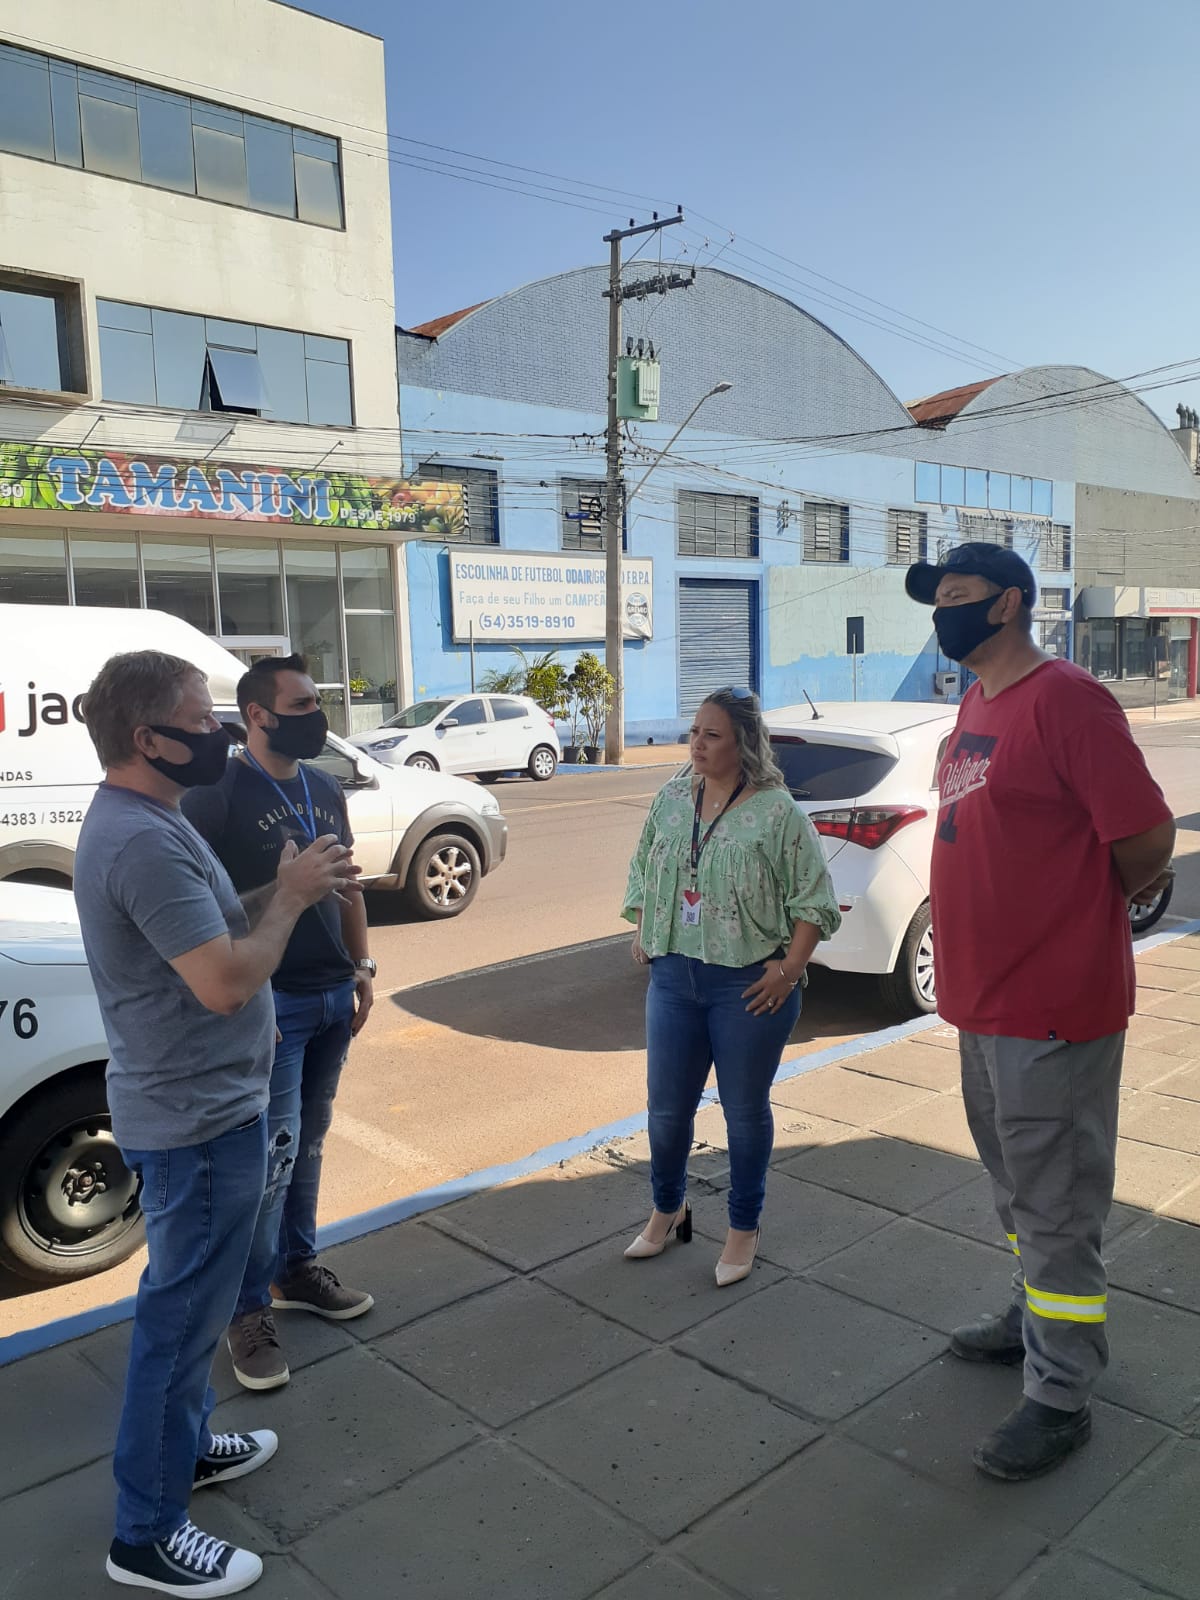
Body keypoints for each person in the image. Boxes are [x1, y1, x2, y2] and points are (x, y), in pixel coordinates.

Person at [73, 650, 358, 1595]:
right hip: (194, 1123)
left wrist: (282, 886)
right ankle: (146, 1535)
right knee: (179, 1323)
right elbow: (227, 979)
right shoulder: (142, 841)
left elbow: (214, 926)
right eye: (201, 719)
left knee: (191, 1317)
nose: (221, 732)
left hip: (209, 1109)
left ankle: (186, 1449)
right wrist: (295, 899)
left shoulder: (154, 819)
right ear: (147, 738)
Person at [906, 542, 1175, 1481]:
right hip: (982, 1001)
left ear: (1009, 603)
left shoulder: (1067, 700)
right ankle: (1034, 1316)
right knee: (1017, 1187)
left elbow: (1146, 837)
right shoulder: (976, 703)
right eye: (936, 599)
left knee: (1057, 1201)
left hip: (1052, 1002)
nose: (942, 611)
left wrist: (1081, 911)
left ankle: (1060, 1395)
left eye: (957, 596)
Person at [183, 654, 376, 1393]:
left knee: (310, 1145)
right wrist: (249, 1004)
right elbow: (206, 915)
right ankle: (246, 1310)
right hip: (273, 1003)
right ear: (257, 715)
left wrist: (363, 967)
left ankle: (297, 1269)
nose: (315, 715)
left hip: (331, 993)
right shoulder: (217, 796)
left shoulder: (323, 786)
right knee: (269, 1160)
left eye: (316, 701)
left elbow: (348, 884)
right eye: (300, 704)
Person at [620, 687, 841, 1285]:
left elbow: (814, 901)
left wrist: (788, 970)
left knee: (742, 1113)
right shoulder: (672, 797)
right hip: (674, 978)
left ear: (743, 744)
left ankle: (743, 1227)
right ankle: (669, 1209)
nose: (696, 743)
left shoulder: (777, 812)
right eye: (694, 731)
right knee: (667, 1111)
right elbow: (643, 867)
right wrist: (645, 927)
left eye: (711, 735)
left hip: (747, 985)